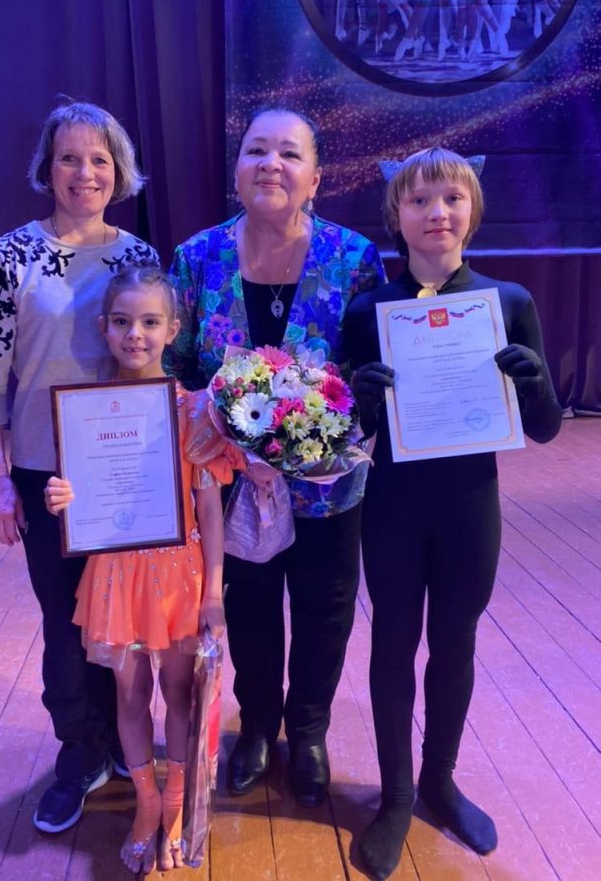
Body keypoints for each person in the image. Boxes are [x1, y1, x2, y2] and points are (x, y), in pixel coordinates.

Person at [343, 148, 562, 879]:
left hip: (471, 505)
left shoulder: (508, 303)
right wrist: (362, 396)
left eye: (452, 198)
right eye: (419, 201)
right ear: (395, 216)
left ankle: (439, 780)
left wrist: (536, 384)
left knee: (456, 641)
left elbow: (545, 429)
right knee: (392, 642)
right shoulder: (369, 311)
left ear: (473, 210)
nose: (437, 212)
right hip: (395, 507)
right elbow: (351, 433)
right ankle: (396, 797)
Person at [168, 108, 386, 808]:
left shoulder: (354, 259)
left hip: (327, 485)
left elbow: (373, 371)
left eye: (289, 153)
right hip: (231, 487)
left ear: (315, 178)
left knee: (325, 608)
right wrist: (213, 424)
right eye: (256, 150)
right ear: (237, 170)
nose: (271, 164)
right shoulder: (197, 259)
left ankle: (310, 729)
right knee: (251, 605)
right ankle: (259, 725)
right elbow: (172, 367)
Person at [0, 101, 159, 834]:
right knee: (65, 618)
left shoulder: (140, 258)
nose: (85, 172)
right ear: (47, 168)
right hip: (45, 471)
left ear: (120, 171)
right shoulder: (9, 257)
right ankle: (80, 751)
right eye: (70, 158)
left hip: (126, 471)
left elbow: (156, 360)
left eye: (99, 159)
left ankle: (127, 741)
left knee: (124, 615)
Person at [44, 265, 241, 873]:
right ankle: (147, 804)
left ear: (172, 330)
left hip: (179, 578)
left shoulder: (195, 412)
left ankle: (176, 802)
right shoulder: (86, 413)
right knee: (129, 697)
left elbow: (209, 507)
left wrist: (214, 591)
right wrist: (63, 498)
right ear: (104, 329)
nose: (136, 334)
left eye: (150, 322)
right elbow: (86, 495)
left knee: (178, 693)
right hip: (114, 577)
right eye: (123, 322)